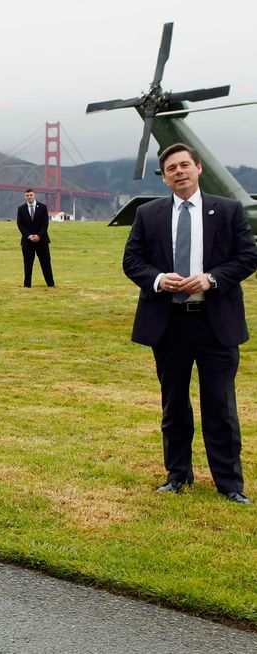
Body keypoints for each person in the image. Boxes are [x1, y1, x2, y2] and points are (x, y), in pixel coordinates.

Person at [122, 142, 257, 504]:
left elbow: (248, 257)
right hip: (170, 324)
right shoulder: (148, 214)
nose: (179, 172)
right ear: (165, 179)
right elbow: (132, 261)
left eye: (185, 165)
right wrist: (157, 279)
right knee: (174, 406)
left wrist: (211, 279)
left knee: (220, 406)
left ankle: (229, 484)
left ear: (199, 168)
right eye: (171, 169)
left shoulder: (228, 211)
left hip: (216, 324)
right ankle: (177, 476)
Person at [16, 188, 55, 287]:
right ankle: (27, 284)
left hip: (42, 241)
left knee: (46, 263)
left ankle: (50, 284)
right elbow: (20, 225)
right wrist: (29, 236)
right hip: (27, 241)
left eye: (31, 195)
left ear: (34, 195)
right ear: (25, 196)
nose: (29, 197)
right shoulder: (21, 209)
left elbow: (45, 223)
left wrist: (39, 235)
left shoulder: (42, 207)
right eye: (27, 195)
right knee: (28, 263)